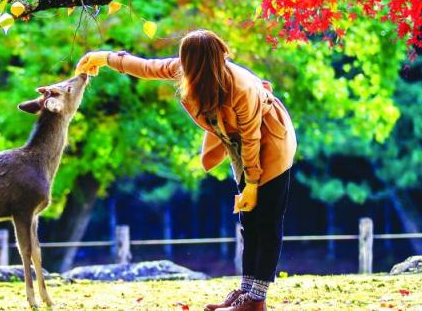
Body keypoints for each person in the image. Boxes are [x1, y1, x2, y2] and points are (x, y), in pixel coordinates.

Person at [75, 29, 296, 311]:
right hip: (239, 143)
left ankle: (256, 300)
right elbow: (146, 67)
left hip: (271, 141)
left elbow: (252, 138)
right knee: (249, 221)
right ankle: (245, 292)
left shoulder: (241, 88)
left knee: (267, 222)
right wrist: (104, 58)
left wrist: (252, 184)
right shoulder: (189, 71)